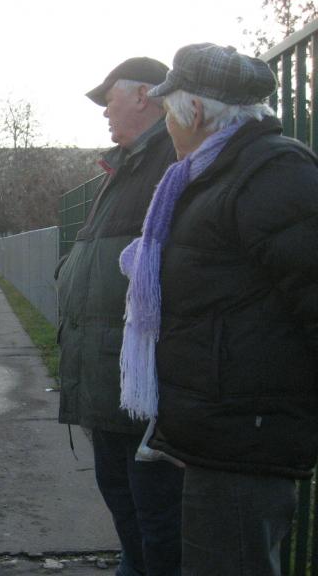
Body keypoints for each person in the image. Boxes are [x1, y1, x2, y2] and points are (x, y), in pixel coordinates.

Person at [120, 43, 318, 576]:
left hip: (246, 437)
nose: (167, 124)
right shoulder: (212, 175)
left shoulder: (272, 173)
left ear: (195, 111)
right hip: (217, 429)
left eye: (168, 110)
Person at [55, 57, 183, 575]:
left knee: (154, 515)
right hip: (110, 374)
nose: (105, 112)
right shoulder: (126, 166)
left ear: (144, 95)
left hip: (141, 382)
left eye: (110, 99)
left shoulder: (171, 160)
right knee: (125, 502)